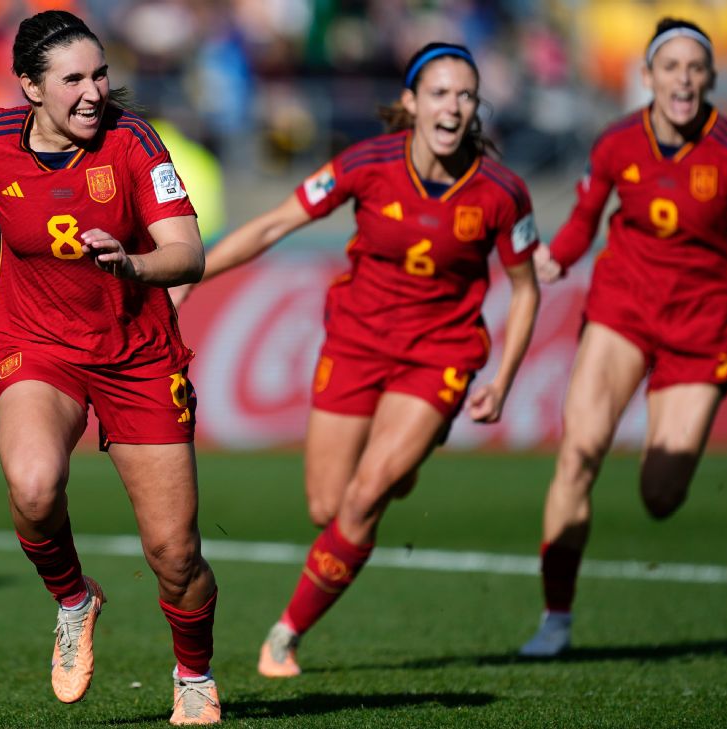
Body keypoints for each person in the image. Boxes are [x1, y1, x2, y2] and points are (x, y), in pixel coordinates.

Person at [174, 42, 541, 677]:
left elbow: (528, 288)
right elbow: (273, 224)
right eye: (439, 94)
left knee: (365, 497)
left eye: (465, 95)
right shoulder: (366, 163)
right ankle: (396, 466)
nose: (452, 107)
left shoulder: (503, 193)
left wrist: (504, 381)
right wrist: (193, 273)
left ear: (476, 105)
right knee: (326, 507)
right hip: (355, 344)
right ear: (411, 102)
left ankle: (286, 634)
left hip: (440, 356)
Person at [0, 10, 221, 724]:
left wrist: (132, 261)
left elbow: (188, 251)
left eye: (100, 74)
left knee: (174, 554)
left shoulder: (133, 143)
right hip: (34, 338)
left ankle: (193, 674)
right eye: (74, 79)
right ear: (31, 88)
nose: (95, 91)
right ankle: (74, 598)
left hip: (137, 354)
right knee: (33, 486)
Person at [518, 18, 727, 657]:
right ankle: (556, 618)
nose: (683, 80)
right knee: (578, 452)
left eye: (695, 69)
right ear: (647, 77)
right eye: (671, 67)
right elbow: (586, 220)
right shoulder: (615, 144)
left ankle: (665, 447)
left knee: (660, 496)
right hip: (624, 309)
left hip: (702, 326)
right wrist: (561, 256)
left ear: (710, 79)